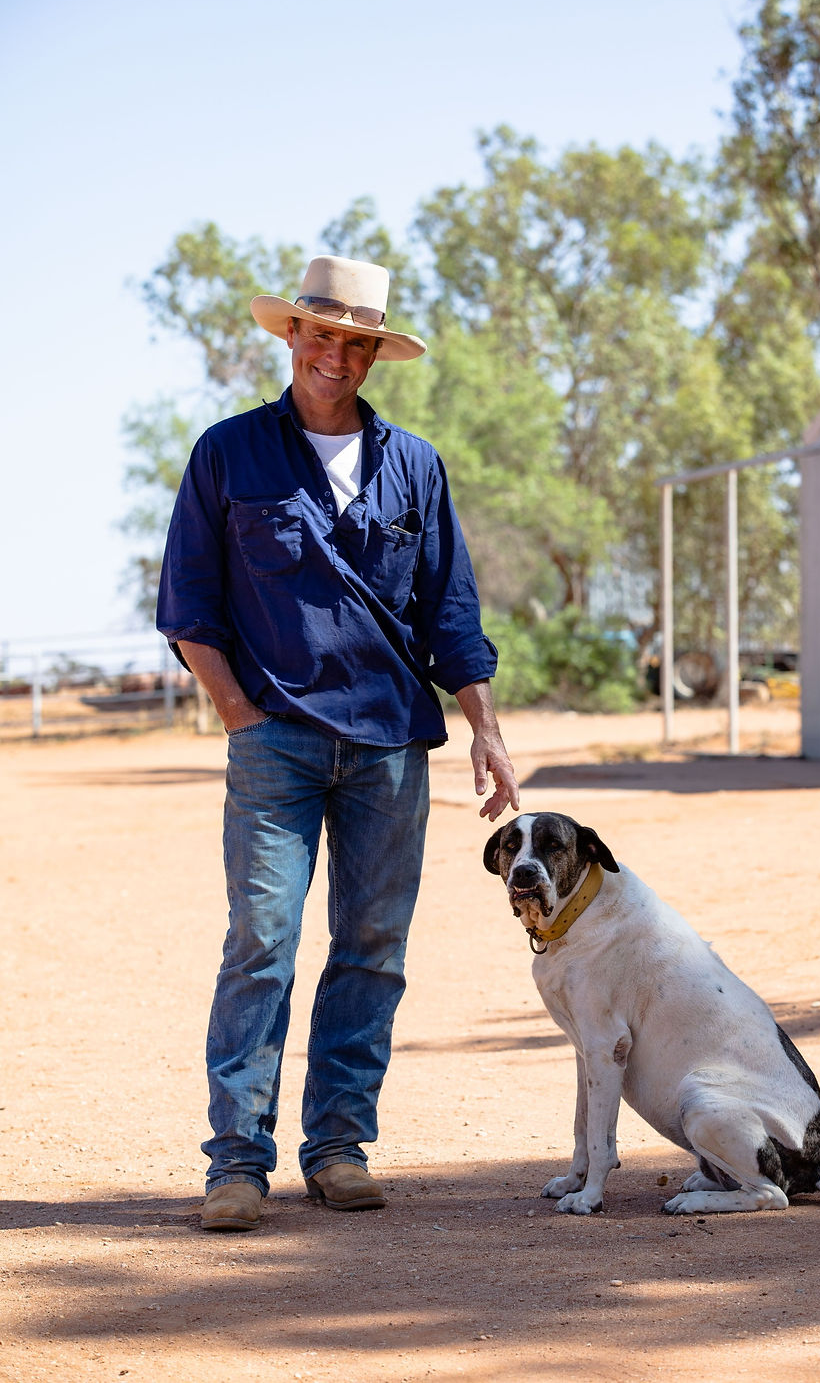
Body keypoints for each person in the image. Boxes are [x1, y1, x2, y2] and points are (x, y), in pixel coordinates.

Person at [157, 254, 519, 1232]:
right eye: (321, 336)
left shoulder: (413, 466)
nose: (335, 355)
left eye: (355, 343)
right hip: (274, 748)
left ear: (371, 355)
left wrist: (483, 728)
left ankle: (337, 1147)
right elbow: (187, 603)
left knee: (370, 948)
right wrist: (239, 713)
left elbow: (449, 609)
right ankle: (235, 1163)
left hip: (389, 750)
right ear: (291, 338)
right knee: (263, 943)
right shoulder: (228, 456)